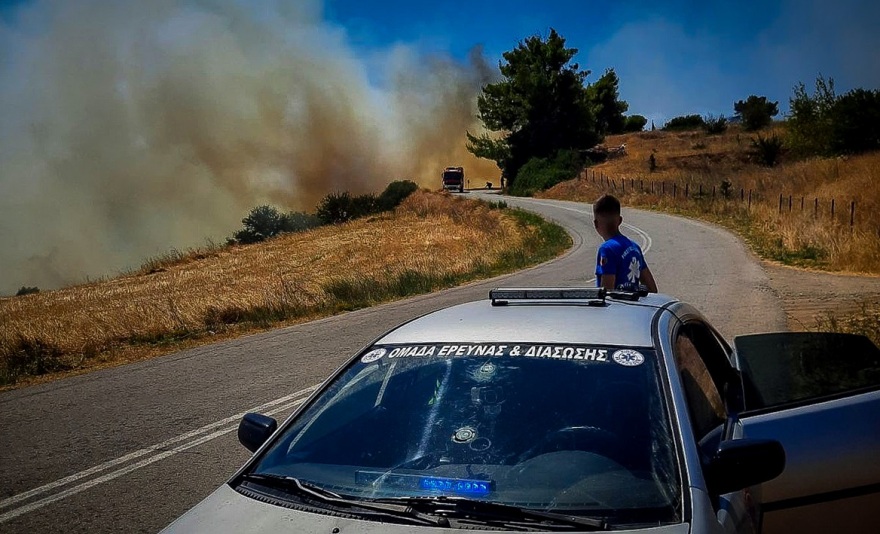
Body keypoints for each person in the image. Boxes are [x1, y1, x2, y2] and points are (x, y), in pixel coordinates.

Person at [593, 194, 658, 293]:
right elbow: (652, 289)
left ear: (596, 224)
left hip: (616, 308)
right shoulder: (635, 247)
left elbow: (606, 293)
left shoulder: (606, 249)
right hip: (633, 307)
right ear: (620, 220)